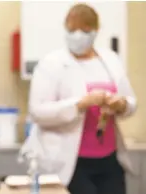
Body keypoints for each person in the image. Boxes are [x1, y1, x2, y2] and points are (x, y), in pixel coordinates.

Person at [26, 3, 137, 194]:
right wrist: (80, 104)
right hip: (70, 162)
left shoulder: (110, 60)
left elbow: (131, 102)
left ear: (95, 31)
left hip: (109, 159)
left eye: (84, 30)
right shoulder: (52, 64)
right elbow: (38, 112)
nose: (77, 35)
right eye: (72, 29)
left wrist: (121, 104)